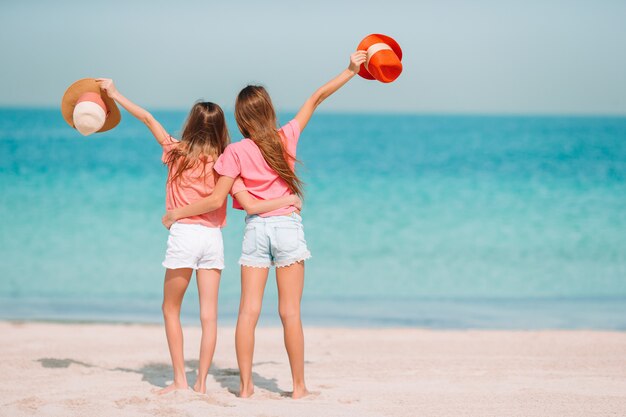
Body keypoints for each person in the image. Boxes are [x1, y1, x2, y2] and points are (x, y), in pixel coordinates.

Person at [161, 50, 367, 399]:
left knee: (248, 312)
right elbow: (316, 97)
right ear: (269, 110)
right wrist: (350, 70)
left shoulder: (234, 153)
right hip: (286, 227)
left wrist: (178, 212)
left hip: (256, 230)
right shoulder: (286, 137)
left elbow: (219, 199)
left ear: (240, 119)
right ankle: (299, 388)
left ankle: (245, 388)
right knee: (290, 312)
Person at [97, 79, 301, 394]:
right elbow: (226, 199)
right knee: (209, 316)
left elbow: (148, 118)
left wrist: (114, 94)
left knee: (171, 309)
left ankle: (180, 380)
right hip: (213, 240)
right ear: (222, 128)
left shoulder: (175, 151)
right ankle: (201, 382)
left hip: (184, 236)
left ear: (191, 125)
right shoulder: (224, 160)